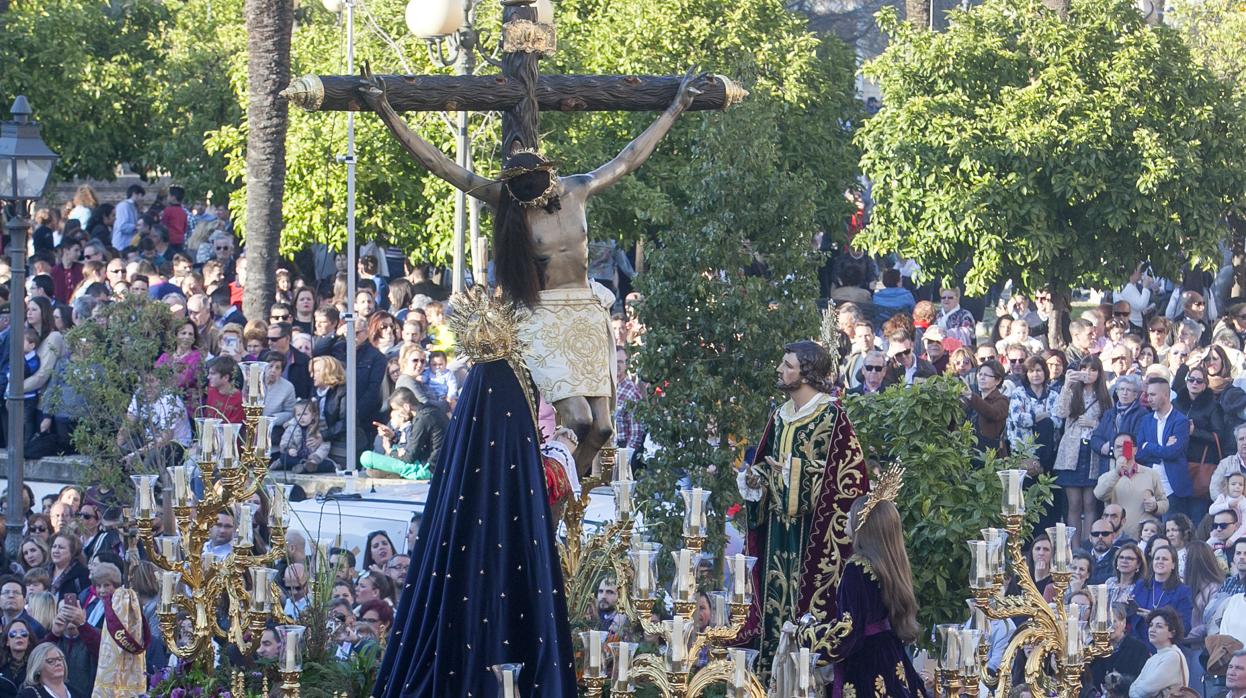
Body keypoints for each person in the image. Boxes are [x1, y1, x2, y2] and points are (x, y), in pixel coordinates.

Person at [361, 66, 708, 476]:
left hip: (585, 308)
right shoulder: (509, 200)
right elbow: (442, 165)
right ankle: (549, 494)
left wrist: (676, 106)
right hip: (541, 313)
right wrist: (386, 110)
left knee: (601, 428)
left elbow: (629, 156)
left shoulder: (577, 190)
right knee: (576, 419)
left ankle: (565, 501)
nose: (536, 202)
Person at [735, 341, 870, 680]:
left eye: (788, 365)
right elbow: (771, 464)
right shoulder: (780, 415)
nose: (780, 370)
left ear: (807, 372)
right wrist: (758, 478)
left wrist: (792, 474)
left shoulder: (832, 416)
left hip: (814, 536)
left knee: (804, 612)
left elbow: (847, 482)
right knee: (775, 607)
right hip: (779, 535)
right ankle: (771, 678)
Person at [806, 489, 927, 697]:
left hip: (865, 664)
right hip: (891, 653)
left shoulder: (856, 568)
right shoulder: (888, 563)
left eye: (850, 515)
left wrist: (807, 635)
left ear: (863, 525)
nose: (845, 519)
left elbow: (848, 630)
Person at [1055, 356, 1111, 544]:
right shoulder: (1072, 390)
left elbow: (1110, 423)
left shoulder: (1104, 395)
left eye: (1093, 369)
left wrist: (1094, 424)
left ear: (1099, 373)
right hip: (1071, 451)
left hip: (1093, 451)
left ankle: (1089, 545)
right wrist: (1066, 385)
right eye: (1084, 368)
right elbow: (1060, 412)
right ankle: (1074, 547)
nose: (1088, 373)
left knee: (1090, 503)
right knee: (1074, 504)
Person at [1137, 376, 1196, 520]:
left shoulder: (1181, 421)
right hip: (1149, 488)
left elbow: (1174, 452)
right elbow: (1139, 454)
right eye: (1147, 394)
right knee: (1149, 533)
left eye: (1152, 394)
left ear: (1166, 395)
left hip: (1172, 488)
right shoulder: (1146, 420)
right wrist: (1162, 449)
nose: (1148, 398)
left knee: (1171, 534)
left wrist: (1149, 446)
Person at [1095, 432, 1169, 541]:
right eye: (1117, 447)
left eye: (1126, 446)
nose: (1121, 450)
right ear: (1113, 451)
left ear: (1135, 450)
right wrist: (1117, 472)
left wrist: (1155, 506)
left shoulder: (1151, 474)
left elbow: (1165, 503)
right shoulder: (1106, 477)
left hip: (1144, 539)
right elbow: (1099, 494)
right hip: (1116, 538)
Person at [360, 388, 443, 481]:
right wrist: (394, 437)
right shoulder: (430, 411)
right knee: (371, 470)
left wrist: (390, 451)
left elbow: (409, 457)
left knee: (366, 457)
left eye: (396, 409)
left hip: (427, 469)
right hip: (433, 464)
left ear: (406, 407)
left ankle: (401, 473)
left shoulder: (422, 419)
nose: (395, 413)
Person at [1006, 356, 1060, 470]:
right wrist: (1044, 415)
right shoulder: (1018, 393)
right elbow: (1019, 419)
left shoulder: (1054, 395)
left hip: (1048, 451)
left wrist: (1033, 419)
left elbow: (1058, 421)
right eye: (1031, 371)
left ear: (1045, 372)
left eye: (1039, 370)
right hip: (1023, 451)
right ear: (1026, 374)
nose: (1035, 374)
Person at [1132, 545, 1193, 646]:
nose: (1160, 561)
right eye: (1157, 558)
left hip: (1164, 647)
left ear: (1173, 565)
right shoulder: (1141, 585)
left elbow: (1184, 626)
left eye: (1165, 559)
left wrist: (1153, 617)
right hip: (1138, 643)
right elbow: (1131, 616)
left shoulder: (1183, 591)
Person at [1089, 603, 1150, 698]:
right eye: (1106, 622)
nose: (1109, 626)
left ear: (1124, 623)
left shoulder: (1138, 648)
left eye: (1113, 621)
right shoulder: (1093, 647)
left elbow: (1142, 682)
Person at [1129, 607, 1189, 697]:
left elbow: (1146, 690)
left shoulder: (1173, 656)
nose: (1152, 629)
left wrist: (1137, 690)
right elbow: (1133, 689)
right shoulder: (1154, 658)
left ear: (1171, 633)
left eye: (1159, 626)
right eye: (1151, 625)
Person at [273, 400, 331, 474]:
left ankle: (305, 467)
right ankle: (303, 466)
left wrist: (316, 458)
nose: (301, 417)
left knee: (328, 465)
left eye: (305, 414)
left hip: (314, 459)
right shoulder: (291, 427)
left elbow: (325, 446)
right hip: (297, 457)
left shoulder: (320, 427)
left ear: (313, 415)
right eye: (298, 415)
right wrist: (290, 449)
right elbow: (285, 441)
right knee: (284, 458)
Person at [965, 359, 1010, 454]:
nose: (982, 378)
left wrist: (971, 396)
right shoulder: (974, 399)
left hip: (991, 454)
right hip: (970, 451)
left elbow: (992, 412)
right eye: (980, 374)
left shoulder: (1002, 400)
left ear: (997, 380)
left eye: (986, 375)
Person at [15, 643, 83, 698]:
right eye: (51, 661)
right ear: (37, 668)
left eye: (60, 659)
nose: (58, 663)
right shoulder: (28, 695)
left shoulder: (77, 693)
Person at [0, 618, 33, 698]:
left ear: (28, 641)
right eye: (13, 634)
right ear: (7, 641)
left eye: (24, 634)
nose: (18, 636)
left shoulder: (35, 665)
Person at [1212, 424, 1246, 500]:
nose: (1244, 443)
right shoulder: (1225, 463)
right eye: (1241, 439)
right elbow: (1214, 489)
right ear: (1236, 441)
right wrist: (1228, 504)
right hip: (1229, 508)